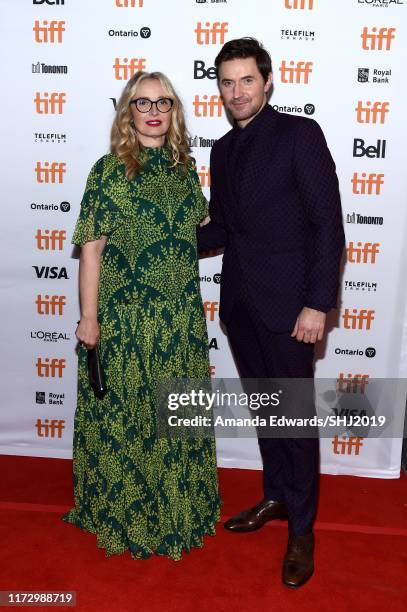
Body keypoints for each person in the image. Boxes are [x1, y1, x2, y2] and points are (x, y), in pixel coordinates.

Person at [197, 38, 345, 587]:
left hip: (291, 308)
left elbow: (327, 224)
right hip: (240, 304)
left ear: (267, 82)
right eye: (227, 82)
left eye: (246, 81)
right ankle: (277, 497)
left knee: (296, 421)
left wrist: (317, 303)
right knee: (267, 412)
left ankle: (302, 530)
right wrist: (165, 236)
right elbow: (221, 228)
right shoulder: (222, 150)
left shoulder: (299, 136)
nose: (236, 92)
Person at [62, 71, 221, 561]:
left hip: (180, 319)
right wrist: (89, 319)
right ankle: (127, 513)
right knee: (129, 418)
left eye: (164, 102)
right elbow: (91, 251)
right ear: (127, 112)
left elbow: (203, 230)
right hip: (128, 320)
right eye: (142, 103)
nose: (153, 111)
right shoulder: (109, 170)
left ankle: (181, 508)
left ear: (174, 112)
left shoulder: (183, 171)